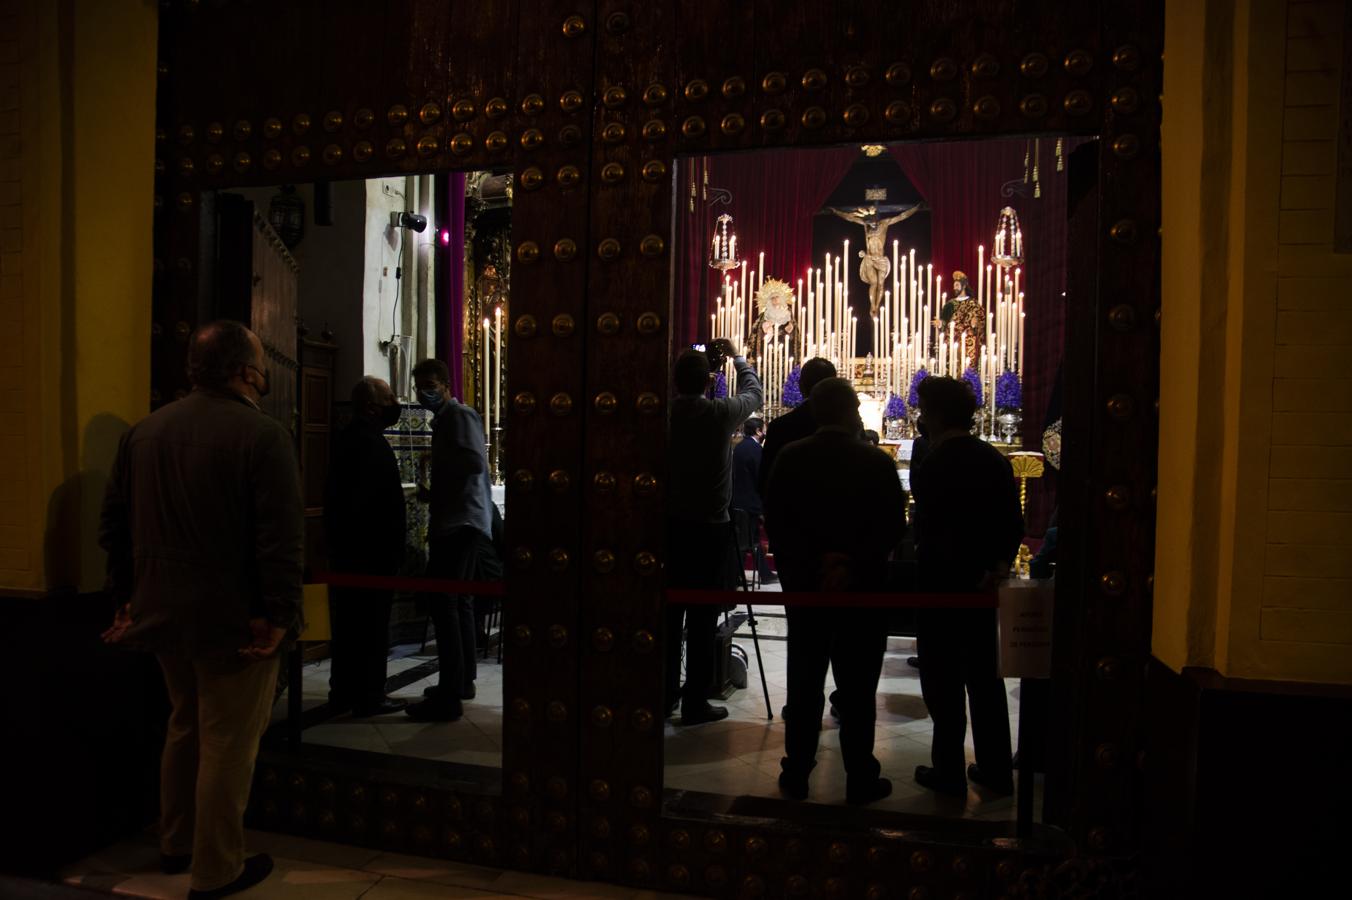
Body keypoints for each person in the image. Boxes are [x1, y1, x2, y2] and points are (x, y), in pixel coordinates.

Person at [99, 320, 303, 898]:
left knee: (184, 724)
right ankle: (217, 871)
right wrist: (280, 614)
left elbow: (113, 525)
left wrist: (127, 597)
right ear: (244, 371)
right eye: (260, 362)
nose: (263, 373)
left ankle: (176, 843)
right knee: (227, 741)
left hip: (162, 613)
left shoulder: (144, 432)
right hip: (234, 620)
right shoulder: (261, 437)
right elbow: (278, 540)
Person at [764, 378, 907, 805]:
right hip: (861, 592)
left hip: (807, 591)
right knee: (859, 688)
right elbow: (892, 528)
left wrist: (813, 566)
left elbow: (778, 524)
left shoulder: (791, 458)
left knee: (804, 683)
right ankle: (860, 774)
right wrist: (850, 565)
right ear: (851, 412)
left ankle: (797, 772)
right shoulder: (875, 462)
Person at [909, 376, 1023, 797]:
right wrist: (996, 567)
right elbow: (1013, 523)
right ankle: (995, 769)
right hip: (979, 585)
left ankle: (949, 772)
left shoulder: (935, 463)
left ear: (936, 415)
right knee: (984, 680)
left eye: (923, 410)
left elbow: (928, 527)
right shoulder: (993, 459)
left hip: (941, 584)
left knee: (943, 683)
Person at [666, 340, 762, 725]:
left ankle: (663, 694)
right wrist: (739, 356)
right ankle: (695, 701)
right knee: (703, 617)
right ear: (708, 381)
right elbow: (753, 393)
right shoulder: (720, 412)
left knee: (669, 615)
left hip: (670, 523)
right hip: (709, 526)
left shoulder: (665, 412)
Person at [403, 358, 493, 721]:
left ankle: (450, 690)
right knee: (460, 602)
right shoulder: (445, 420)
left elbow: (473, 462)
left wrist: (439, 475)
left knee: (446, 603)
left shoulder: (459, 416)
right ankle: (462, 680)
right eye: (419, 386)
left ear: (445, 384)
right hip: (459, 519)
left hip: (460, 523)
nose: (424, 393)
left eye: (430, 385)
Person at [324, 376, 407, 717]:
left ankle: (344, 693)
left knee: (348, 628)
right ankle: (369, 695)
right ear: (373, 406)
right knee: (370, 628)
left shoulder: (350, 438)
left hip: (348, 552)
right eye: (389, 398)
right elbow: (374, 504)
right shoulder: (369, 444)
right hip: (369, 555)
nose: (394, 404)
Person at [757, 357, 837, 499]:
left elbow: (766, 482)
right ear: (834, 385)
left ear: (800, 386)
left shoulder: (780, 427)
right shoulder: (843, 426)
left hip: (790, 512)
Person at [731, 417, 776, 585]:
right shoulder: (756, 450)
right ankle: (736, 576)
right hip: (750, 502)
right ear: (758, 431)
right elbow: (760, 476)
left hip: (739, 500)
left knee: (750, 539)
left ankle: (762, 573)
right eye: (763, 429)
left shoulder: (740, 447)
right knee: (747, 540)